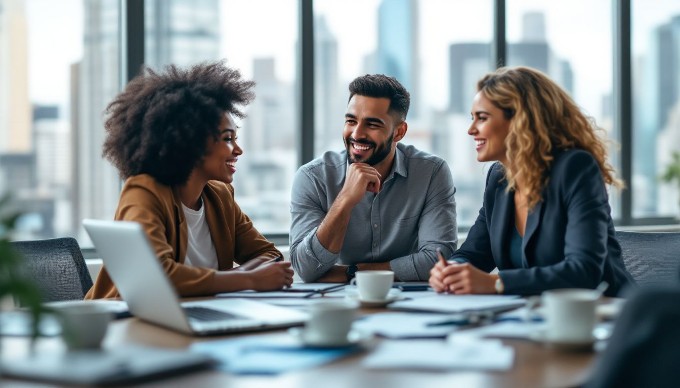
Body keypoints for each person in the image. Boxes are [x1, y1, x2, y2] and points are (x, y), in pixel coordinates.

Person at [85, 61, 294, 299]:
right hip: (124, 321)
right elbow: (155, 276)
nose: (238, 150)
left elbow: (269, 254)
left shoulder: (220, 196)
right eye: (228, 138)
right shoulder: (144, 192)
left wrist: (244, 274)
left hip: (197, 316)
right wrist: (247, 279)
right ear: (190, 142)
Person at [429, 66, 633, 297]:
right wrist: (452, 270)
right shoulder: (499, 178)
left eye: (482, 118)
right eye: (472, 118)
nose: (471, 129)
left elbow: (583, 271)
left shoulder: (575, 168)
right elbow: (474, 253)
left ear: (520, 120)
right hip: (533, 318)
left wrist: (496, 283)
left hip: (602, 316)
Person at [290, 74, 457, 283]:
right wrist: (345, 201)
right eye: (351, 121)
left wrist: (352, 273)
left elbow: (438, 259)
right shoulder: (312, 177)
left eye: (372, 124)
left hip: (408, 301)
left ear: (399, 132)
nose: (357, 134)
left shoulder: (431, 173)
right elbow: (305, 268)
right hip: (337, 303)